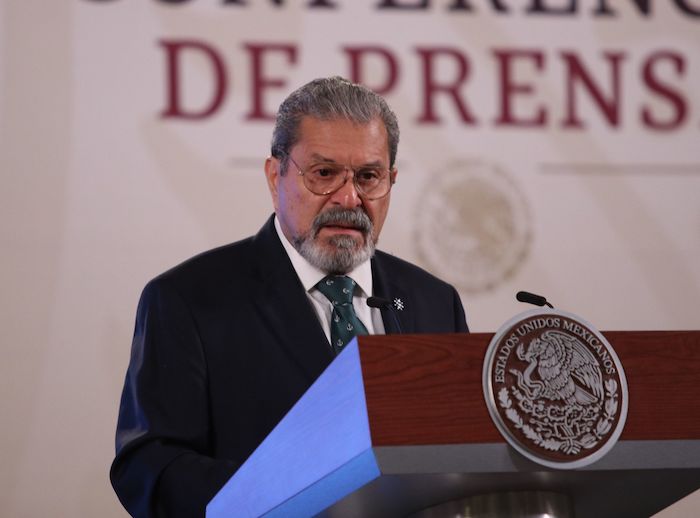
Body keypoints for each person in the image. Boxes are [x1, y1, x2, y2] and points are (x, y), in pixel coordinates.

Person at [110, 76, 468, 518]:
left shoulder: (434, 302)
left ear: (391, 181)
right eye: (324, 173)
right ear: (274, 174)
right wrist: (285, 494)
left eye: (369, 177)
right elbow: (149, 467)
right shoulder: (187, 300)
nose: (349, 197)